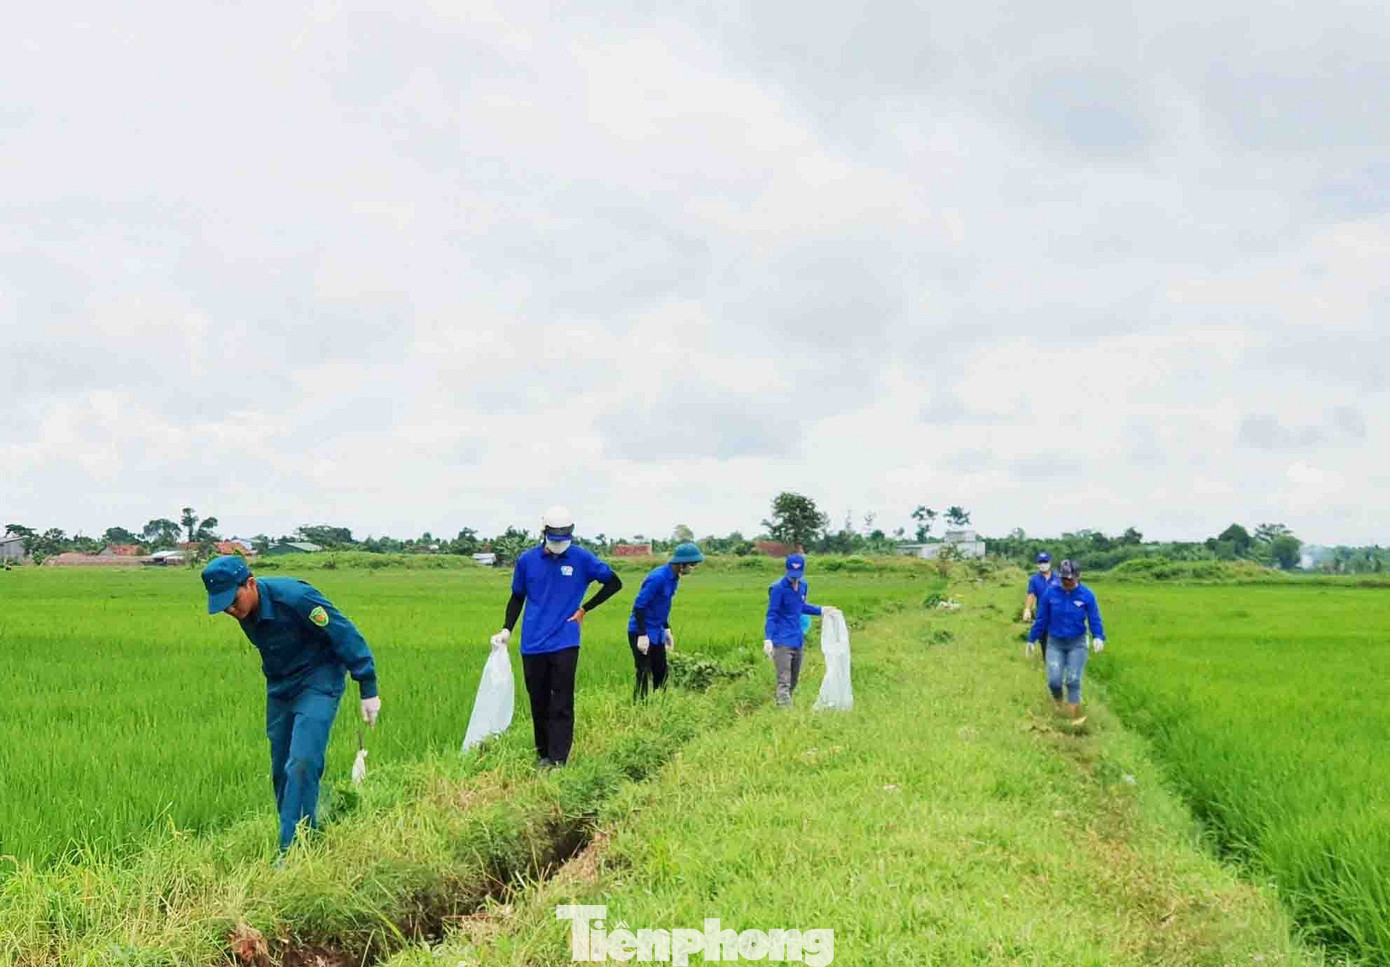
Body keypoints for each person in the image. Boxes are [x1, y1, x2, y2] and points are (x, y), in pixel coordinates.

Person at [200, 554, 380, 854]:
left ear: (251, 583)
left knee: (303, 761)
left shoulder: (297, 598)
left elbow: (344, 632)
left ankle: (293, 849)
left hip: (319, 681)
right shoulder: (244, 610)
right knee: (282, 769)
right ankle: (306, 833)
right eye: (225, 607)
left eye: (233, 601)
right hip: (281, 687)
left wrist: (368, 685)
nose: (232, 610)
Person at [489, 507, 623, 768]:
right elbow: (518, 597)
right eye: (555, 539)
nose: (559, 544)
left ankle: (559, 758)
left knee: (561, 701)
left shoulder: (582, 559)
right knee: (538, 700)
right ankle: (543, 755)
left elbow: (614, 583)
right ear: (544, 533)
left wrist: (585, 608)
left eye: (564, 539)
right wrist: (507, 629)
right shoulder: (527, 561)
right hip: (533, 642)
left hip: (565, 641)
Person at [1026, 559, 1106, 726]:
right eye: (1064, 579)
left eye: (1070, 579)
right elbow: (1042, 619)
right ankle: (1059, 705)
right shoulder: (1051, 594)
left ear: (1078, 577)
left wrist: (1098, 636)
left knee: (1073, 680)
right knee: (1054, 680)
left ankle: (1072, 717)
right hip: (1055, 643)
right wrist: (1032, 639)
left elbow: (1094, 618)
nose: (1067, 582)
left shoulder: (1087, 595)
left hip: (1077, 643)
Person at [628, 542, 704, 699]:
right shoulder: (658, 578)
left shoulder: (674, 577)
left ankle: (659, 705)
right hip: (641, 630)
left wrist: (666, 628)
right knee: (643, 672)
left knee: (661, 672)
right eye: (692, 565)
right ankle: (639, 708)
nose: (693, 568)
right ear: (681, 564)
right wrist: (642, 634)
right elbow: (639, 606)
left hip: (657, 630)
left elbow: (662, 605)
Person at [763, 553, 838, 707]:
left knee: (793, 680)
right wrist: (768, 638)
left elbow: (801, 606)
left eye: (798, 575)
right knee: (784, 680)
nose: (794, 579)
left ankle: (781, 706)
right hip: (782, 641)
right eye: (792, 575)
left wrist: (821, 610)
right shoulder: (777, 589)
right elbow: (772, 614)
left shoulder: (803, 586)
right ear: (786, 570)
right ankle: (786, 714)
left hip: (797, 639)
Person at [1022, 552, 1060, 659]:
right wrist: (1027, 609)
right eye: (1041, 562)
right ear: (1037, 564)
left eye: (1045, 562)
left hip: (1057, 614)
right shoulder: (1034, 579)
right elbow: (1031, 594)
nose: (1043, 564)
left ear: (1050, 563)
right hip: (1043, 614)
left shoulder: (1058, 578)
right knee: (1045, 640)